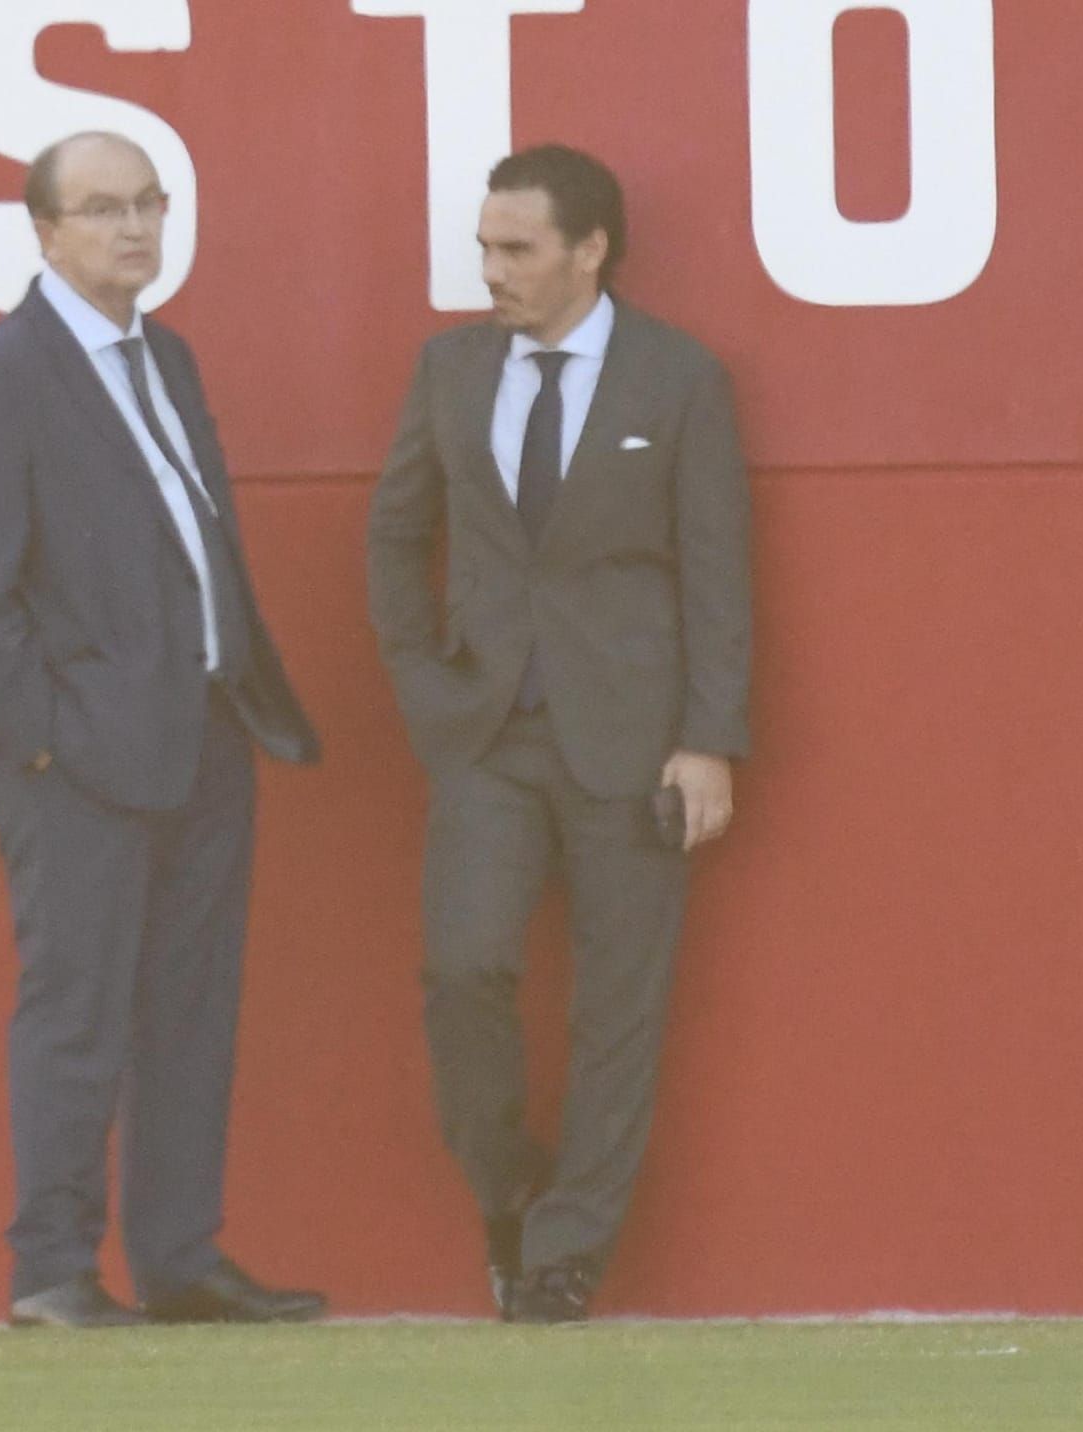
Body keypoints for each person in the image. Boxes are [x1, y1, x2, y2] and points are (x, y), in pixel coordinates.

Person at [0, 131, 325, 1327]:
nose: (134, 226)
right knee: (78, 1010)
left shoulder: (166, 356)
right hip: (77, 757)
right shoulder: (1, 375)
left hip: (202, 730)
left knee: (191, 1012)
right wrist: (44, 739)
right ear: (44, 232)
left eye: (148, 202)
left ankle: (178, 1256)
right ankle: (52, 1269)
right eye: (102, 208)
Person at [366, 144, 751, 1323]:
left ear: (589, 251)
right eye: (484, 247)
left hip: (632, 744)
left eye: (516, 249)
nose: (491, 270)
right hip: (485, 735)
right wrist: (423, 681)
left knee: (616, 1009)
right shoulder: (447, 370)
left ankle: (565, 1252)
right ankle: (507, 1189)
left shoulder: (677, 377)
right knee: (462, 969)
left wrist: (708, 738)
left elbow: (716, 569)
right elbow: (394, 534)